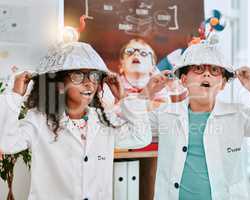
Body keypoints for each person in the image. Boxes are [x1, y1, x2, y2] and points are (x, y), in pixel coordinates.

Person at [0, 41, 165, 200]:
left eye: (93, 76)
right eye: (78, 76)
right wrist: (14, 95)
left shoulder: (104, 120)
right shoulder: (39, 120)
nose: (88, 83)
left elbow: (141, 137)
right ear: (59, 84)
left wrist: (123, 98)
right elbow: (6, 144)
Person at [151, 38, 250, 200]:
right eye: (198, 69)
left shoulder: (237, 115)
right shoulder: (165, 115)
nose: (206, 74)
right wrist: (147, 93)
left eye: (214, 70)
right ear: (183, 79)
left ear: (223, 83)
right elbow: (127, 132)